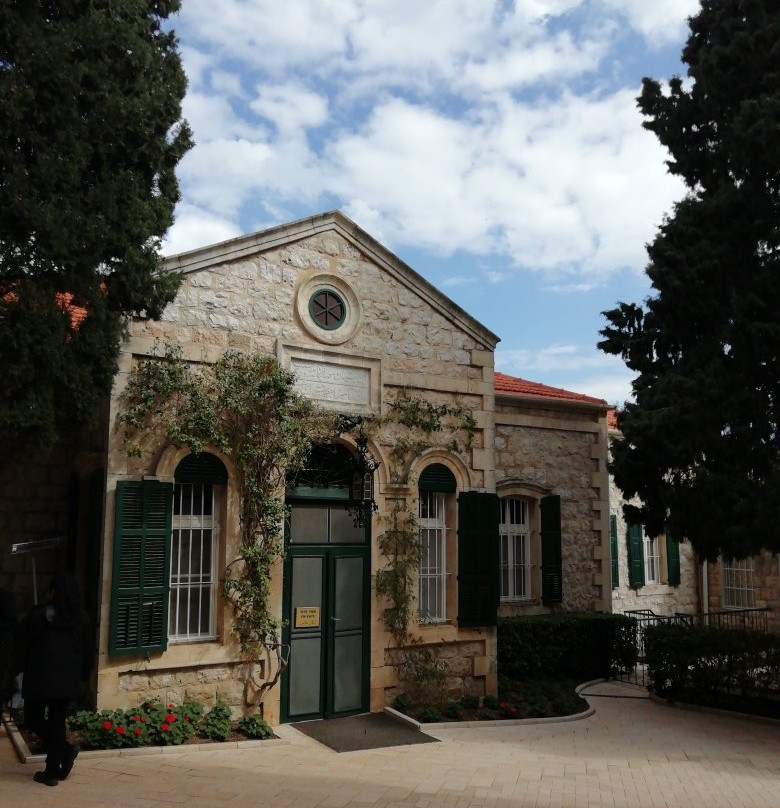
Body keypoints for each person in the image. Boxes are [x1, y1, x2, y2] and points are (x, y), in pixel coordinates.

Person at [21, 571, 86, 786]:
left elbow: (24, 642)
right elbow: (86, 650)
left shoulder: (39, 616)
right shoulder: (80, 618)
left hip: (41, 677)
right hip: (67, 678)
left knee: (33, 717)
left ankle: (59, 760)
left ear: (54, 592)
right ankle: (55, 764)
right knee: (57, 721)